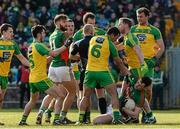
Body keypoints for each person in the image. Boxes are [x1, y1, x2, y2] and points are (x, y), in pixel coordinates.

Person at [19, 25, 72, 125]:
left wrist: (53, 56)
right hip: (41, 78)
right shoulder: (39, 45)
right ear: (39, 34)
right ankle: (56, 120)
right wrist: (66, 46)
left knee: (32, 100)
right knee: (61, 95)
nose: (44, 35)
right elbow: (54, 53)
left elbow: (44, 61)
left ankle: (23, 121)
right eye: (43, 33)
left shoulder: (31, 46)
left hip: (33, 79)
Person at [76, 26, 130, 125]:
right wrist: (125, 70)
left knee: (85, 96)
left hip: (89, 71)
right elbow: (117, 61)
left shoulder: (93, 39)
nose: (115, 40)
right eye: (116, 38)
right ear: (112, 35)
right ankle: (117, 119)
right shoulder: (110, 44)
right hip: (102, 72)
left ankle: (80, 120)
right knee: (114, 94)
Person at [36, 14, 76, 125]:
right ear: (59, 22)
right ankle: (60, 117)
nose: (67, 25)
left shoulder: (52, 35)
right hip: (63, 66)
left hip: (53, 67)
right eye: (65, 23)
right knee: (72, 92)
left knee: (52, 94)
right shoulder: (63, 34)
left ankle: (41, 112)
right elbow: (67, 50)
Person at [131, 7, 165, 123]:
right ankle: (134, 115)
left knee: (148, 90)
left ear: (147, 16)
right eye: (137, 16)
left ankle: (146, 114)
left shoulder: (154, 30)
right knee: (134, 90)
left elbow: (162, 48)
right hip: (135, 64)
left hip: (148, 64)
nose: (139, 18)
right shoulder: (133, 29)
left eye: (141, 16)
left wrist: (154, 60)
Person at [73, 11, 107, 116]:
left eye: (94, 23)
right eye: (91, 24)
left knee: (99, 94)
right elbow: (73, 54)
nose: (93, 27)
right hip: (85, 68)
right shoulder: (78, 34)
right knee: (84, 95)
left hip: (98, 67)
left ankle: (102, 116)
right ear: (85, 23)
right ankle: (86, 118)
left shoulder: (101, 32)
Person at [0, 23, 30, 125]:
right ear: (3, 32)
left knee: (1, 98)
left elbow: (22, 58)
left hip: (4, 75)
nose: (12, 34)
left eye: (12, 32)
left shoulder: (13, 44)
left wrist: (32, 65)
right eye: (10, 32)